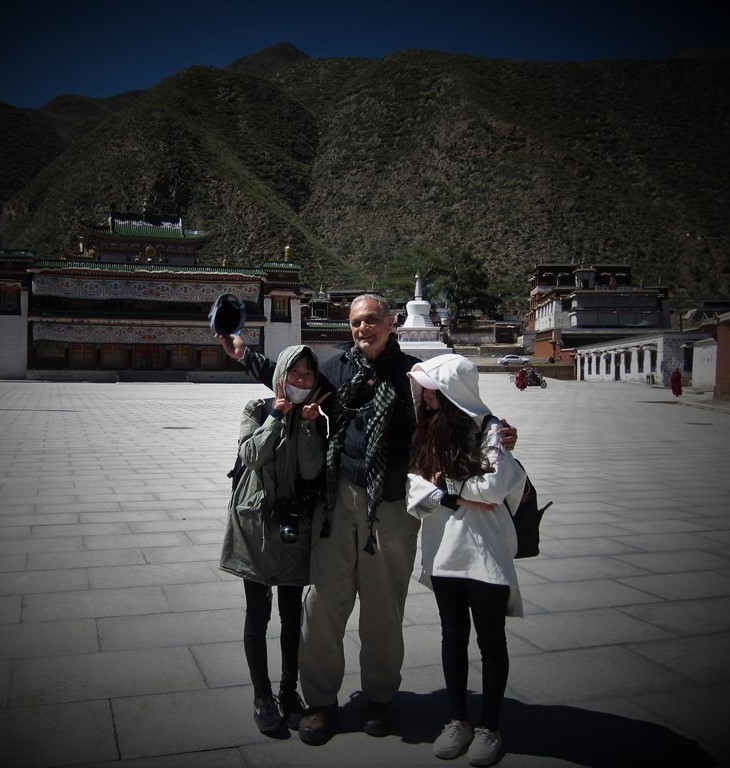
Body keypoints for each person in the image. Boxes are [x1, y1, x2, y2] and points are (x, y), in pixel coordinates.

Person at [217, 294, 518, 745]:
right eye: (357, 322)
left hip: (393, 506)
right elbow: (292, 380)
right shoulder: (336, 371)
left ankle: (379, 698)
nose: (363, 329)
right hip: (336, 501)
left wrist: (495, 426)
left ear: (392, 323)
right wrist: (246, 356)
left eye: (372, 320)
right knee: (322, 604)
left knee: (383, 607)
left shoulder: (414, 375)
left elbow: (457, 404)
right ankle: (319, 701)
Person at [406, 353, 526, 766]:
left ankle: (490, 725)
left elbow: (493, 488)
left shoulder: (493, 430)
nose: (425, 397)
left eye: (432, 390)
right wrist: (445, 492)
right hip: (443, 551)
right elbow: (416, 484)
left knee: (491, 640)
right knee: (452, 636)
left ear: (453, 392)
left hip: (486, 552)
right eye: (423, 390)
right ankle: (458, 719)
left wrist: (448, 486)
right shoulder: (425, 430)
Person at [218, 345, 329, 734]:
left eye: (308, 375)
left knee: (292, 613)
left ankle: (288, 690)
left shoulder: (315, 417)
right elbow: (251, 456)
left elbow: (313, 470)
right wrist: (278, 416)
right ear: (281, 374)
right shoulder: (257, 408)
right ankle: (262, 694)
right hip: (256, 525)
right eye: (294, 373)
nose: (301, 381)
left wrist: (310, 425)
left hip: (293, 526)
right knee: (257, 614)